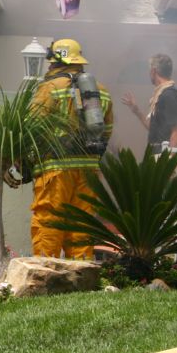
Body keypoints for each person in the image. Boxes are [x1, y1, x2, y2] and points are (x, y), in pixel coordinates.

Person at [29, 38, 114, 260]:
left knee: (50, 219)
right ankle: (82, 273)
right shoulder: (101, 91)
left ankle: (45, 270)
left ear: (59, 61)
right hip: (89, 170)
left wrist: (24, 159)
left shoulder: (50, 88)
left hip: (56, 169)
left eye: (51, 62)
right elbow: (107, 130)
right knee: (82, 222)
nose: (49, 67)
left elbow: (32, 126)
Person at [121, 53, 177, 153]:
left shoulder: (170, 95)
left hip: (164, 156)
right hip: (155, 153)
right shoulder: (161, 95)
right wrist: (136, 110)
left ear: (153, 71)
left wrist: (168, 160)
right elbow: (153, 129)